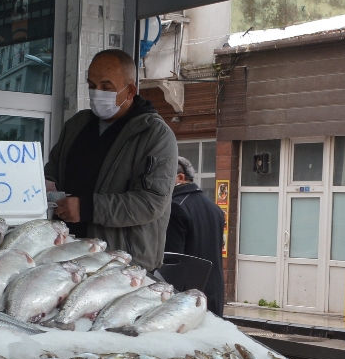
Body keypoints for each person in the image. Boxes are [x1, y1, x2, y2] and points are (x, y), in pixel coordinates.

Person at [44, 49, 177, 270]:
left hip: (121, 265)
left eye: (106, 87)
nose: (97, 93)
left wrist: (87, 208)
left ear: (130, 91)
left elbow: (150, 203)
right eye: (92, 85)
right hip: (67, 256)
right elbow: (55, 165)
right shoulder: (77, 125)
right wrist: (49, 180)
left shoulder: (155, 136)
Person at [165, 156, 226, 316]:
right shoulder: (214, 208)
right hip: (214, 295)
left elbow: (172, 262)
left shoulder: (175, 207)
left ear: (180, 178)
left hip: (187, 300)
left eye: (164, 178)